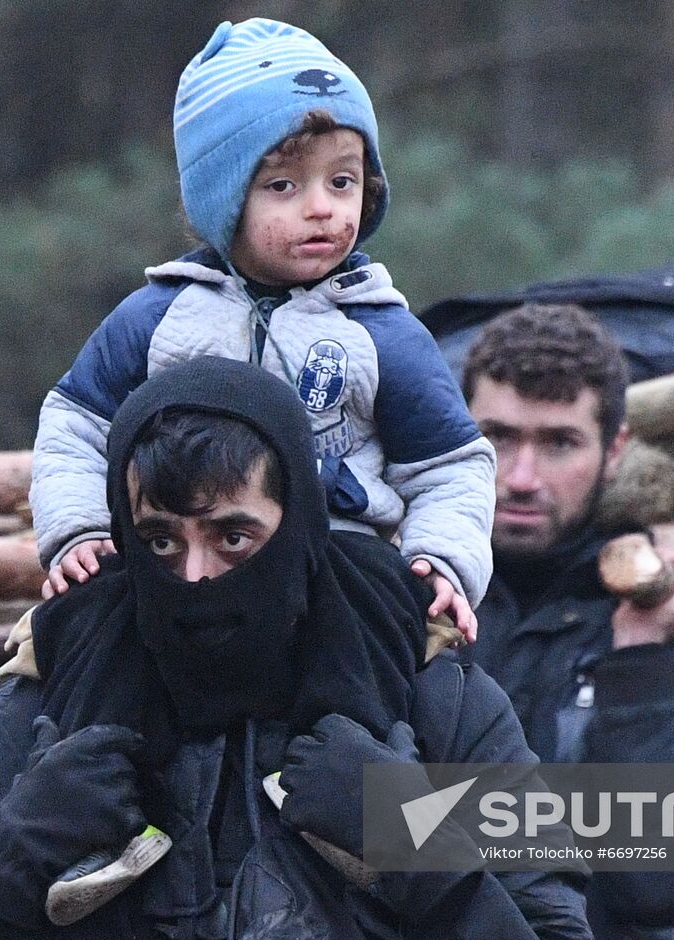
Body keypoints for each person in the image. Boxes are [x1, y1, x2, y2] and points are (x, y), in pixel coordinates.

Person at [0, 357, 606, 940]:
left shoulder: (436, 706)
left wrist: (416, 846)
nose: (195, 575)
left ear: (299, 526)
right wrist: (9, 868)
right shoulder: (37, 717)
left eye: (233, 536)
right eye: (160, 540)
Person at [30, 18, 494, 640]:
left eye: (343, 180)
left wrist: (442, 562)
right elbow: (75, 429)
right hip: (176, 582)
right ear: (222, 199)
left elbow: (451, 467)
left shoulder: (382, 333)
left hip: (339, 587)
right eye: (283, 185)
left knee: (427, 696)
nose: (323, 207)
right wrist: (79, 531)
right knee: (45, 663)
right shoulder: (157, 317)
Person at [459, 303, 674, 940]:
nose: (520, 477)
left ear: (614, 449)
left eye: (559, 442)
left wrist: (641, 666)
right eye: (498, 436)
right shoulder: (408, 622)